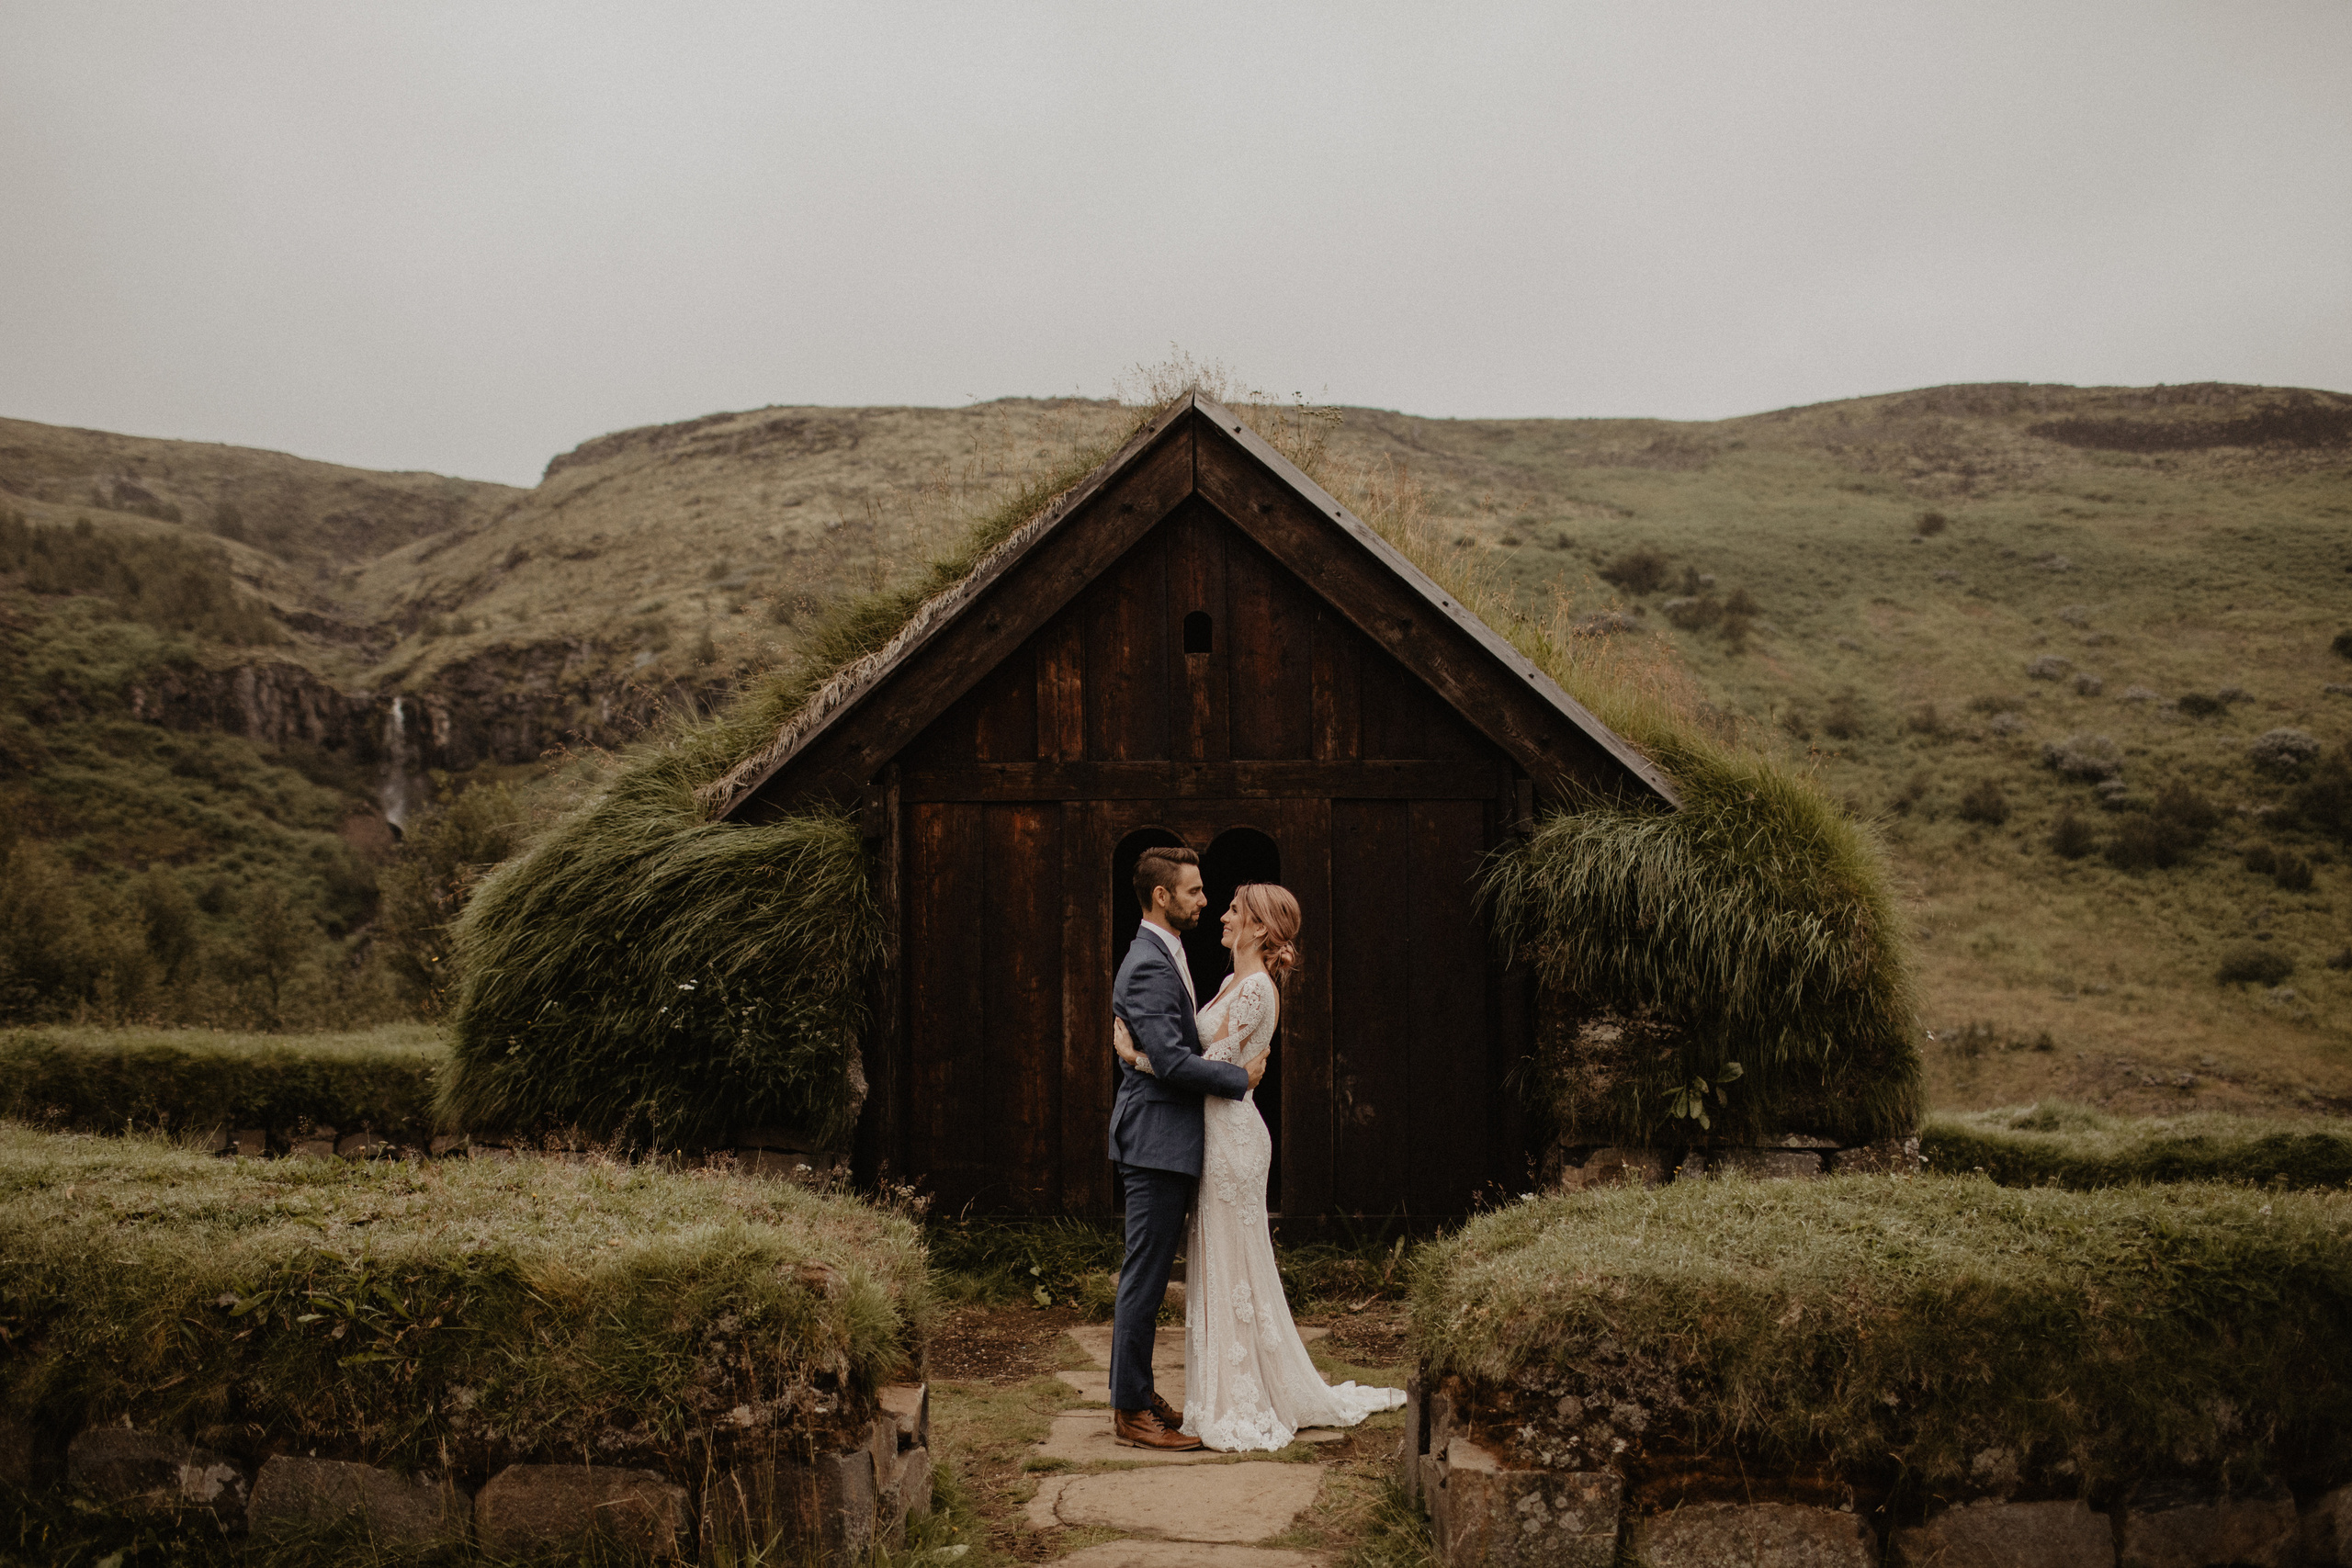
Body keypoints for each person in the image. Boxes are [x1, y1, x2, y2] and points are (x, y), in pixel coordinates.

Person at [1114, 882, 1406, 1451]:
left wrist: (1133, 1056)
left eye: (1234, 910)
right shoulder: (1230, 982)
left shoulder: (1256, 992)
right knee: (1223, 1263)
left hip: (1234, 1140)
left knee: (1235, 1263)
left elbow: (1196, 1064)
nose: (1221, 914)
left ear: (1259, 929)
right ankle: (1218, 1390)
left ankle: (1239, 1395)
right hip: (1216, 1133)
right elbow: (1201, 1062)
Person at [1106, 847, 1269, 1450]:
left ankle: (1139, 1390)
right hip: (1154, 1140)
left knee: (1146, 1275)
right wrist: (1239, 1078)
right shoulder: (1147, 963)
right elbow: (1173, 1061)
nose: (1204, 900)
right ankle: (1129, 1409)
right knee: (1144, 1278)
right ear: (1161, 897)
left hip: (1167, 1139)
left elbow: (1164, 1050)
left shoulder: (1165, 953)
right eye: (1195, 891)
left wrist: (1133, 1054)